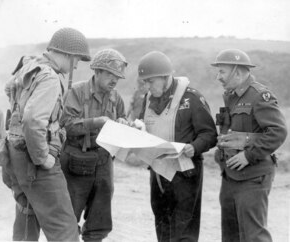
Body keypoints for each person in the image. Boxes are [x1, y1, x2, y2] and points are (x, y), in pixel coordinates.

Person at [3, 27, 91, 241]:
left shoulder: (30, 67)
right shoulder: (50, 77)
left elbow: (9, 90)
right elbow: (33, 120)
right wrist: (43, 157)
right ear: (68, 54)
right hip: (35, 161)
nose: (77, 65)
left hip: (16, 154)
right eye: (77, 59)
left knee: (27, 215)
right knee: (64, 228)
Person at [138, 51, 217, 242]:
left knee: (184, 232)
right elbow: (143, 123)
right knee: (162, 226)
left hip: (186, 174)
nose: (147, 86)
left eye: (151, 81)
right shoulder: (148, 99)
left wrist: (194, 147)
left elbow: (210, 134)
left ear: (166, 77)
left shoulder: (192, 98)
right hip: (157, 173)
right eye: (145, 82)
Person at [211, 49, 288, 242]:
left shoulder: (259, 96)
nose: (217, 76)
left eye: (222, 72)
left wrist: (248, 155)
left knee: (253, 236)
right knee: (231, 235)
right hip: (230, 175)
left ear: (237, 72)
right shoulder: (231, 96)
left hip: (253, 176)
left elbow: (278, 131)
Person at [59, 48, 128, 242]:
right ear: (97, 71)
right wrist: (96, 122)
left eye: (118, 77)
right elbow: (66, 126)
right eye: (110, 74)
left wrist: (125, 123)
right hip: (76, 161)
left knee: (100, 220)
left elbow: (122, 118)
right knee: (68, 219)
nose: (114, 80)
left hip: (104, 161)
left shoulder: (116, 98)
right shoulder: (77, 92)